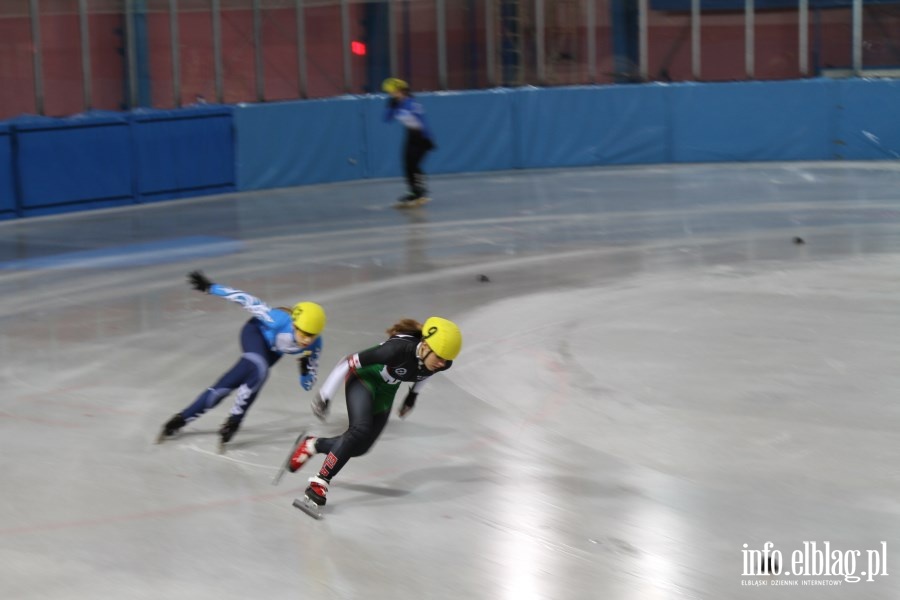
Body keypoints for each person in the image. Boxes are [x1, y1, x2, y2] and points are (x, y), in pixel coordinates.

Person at [286, 316, 462, 509]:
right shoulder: (396, 350)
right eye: (439, 358)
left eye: (446, 361)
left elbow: (425, 373)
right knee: (359, 430)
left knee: (361, 447)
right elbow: (347, 362)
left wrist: (412, 397)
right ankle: (319, 483)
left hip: (387, 389)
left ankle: (313, 445)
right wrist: (325, 394)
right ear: (425, 346)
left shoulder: (440, 360)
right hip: (364, 377)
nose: (441, 364)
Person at [157, 271, 326, 448]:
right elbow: (246, 299)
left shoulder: (315, 345)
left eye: (312, 335)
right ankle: (233, 420)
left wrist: (305, 371)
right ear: (294, 324)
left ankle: (185, 418)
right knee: (259, 369)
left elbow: (308, 384)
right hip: (254, 334)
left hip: (272, 352)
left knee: (254, 376)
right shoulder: (277, 320)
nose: (307, 340)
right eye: (304, 333)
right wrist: (210, 288)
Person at [383, 77, 436, 206]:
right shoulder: (396, 104)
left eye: (393, 91)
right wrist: (390, 107)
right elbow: (386, 119)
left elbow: (422, 122)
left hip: (421, 137)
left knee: (414, 164)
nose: (391, 94)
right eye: (390, 92)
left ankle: (421, 190)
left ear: (402, 91)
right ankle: (413, 192)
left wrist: (428, 138)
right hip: (410, 136)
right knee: (407, 165)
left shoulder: (412, 104)